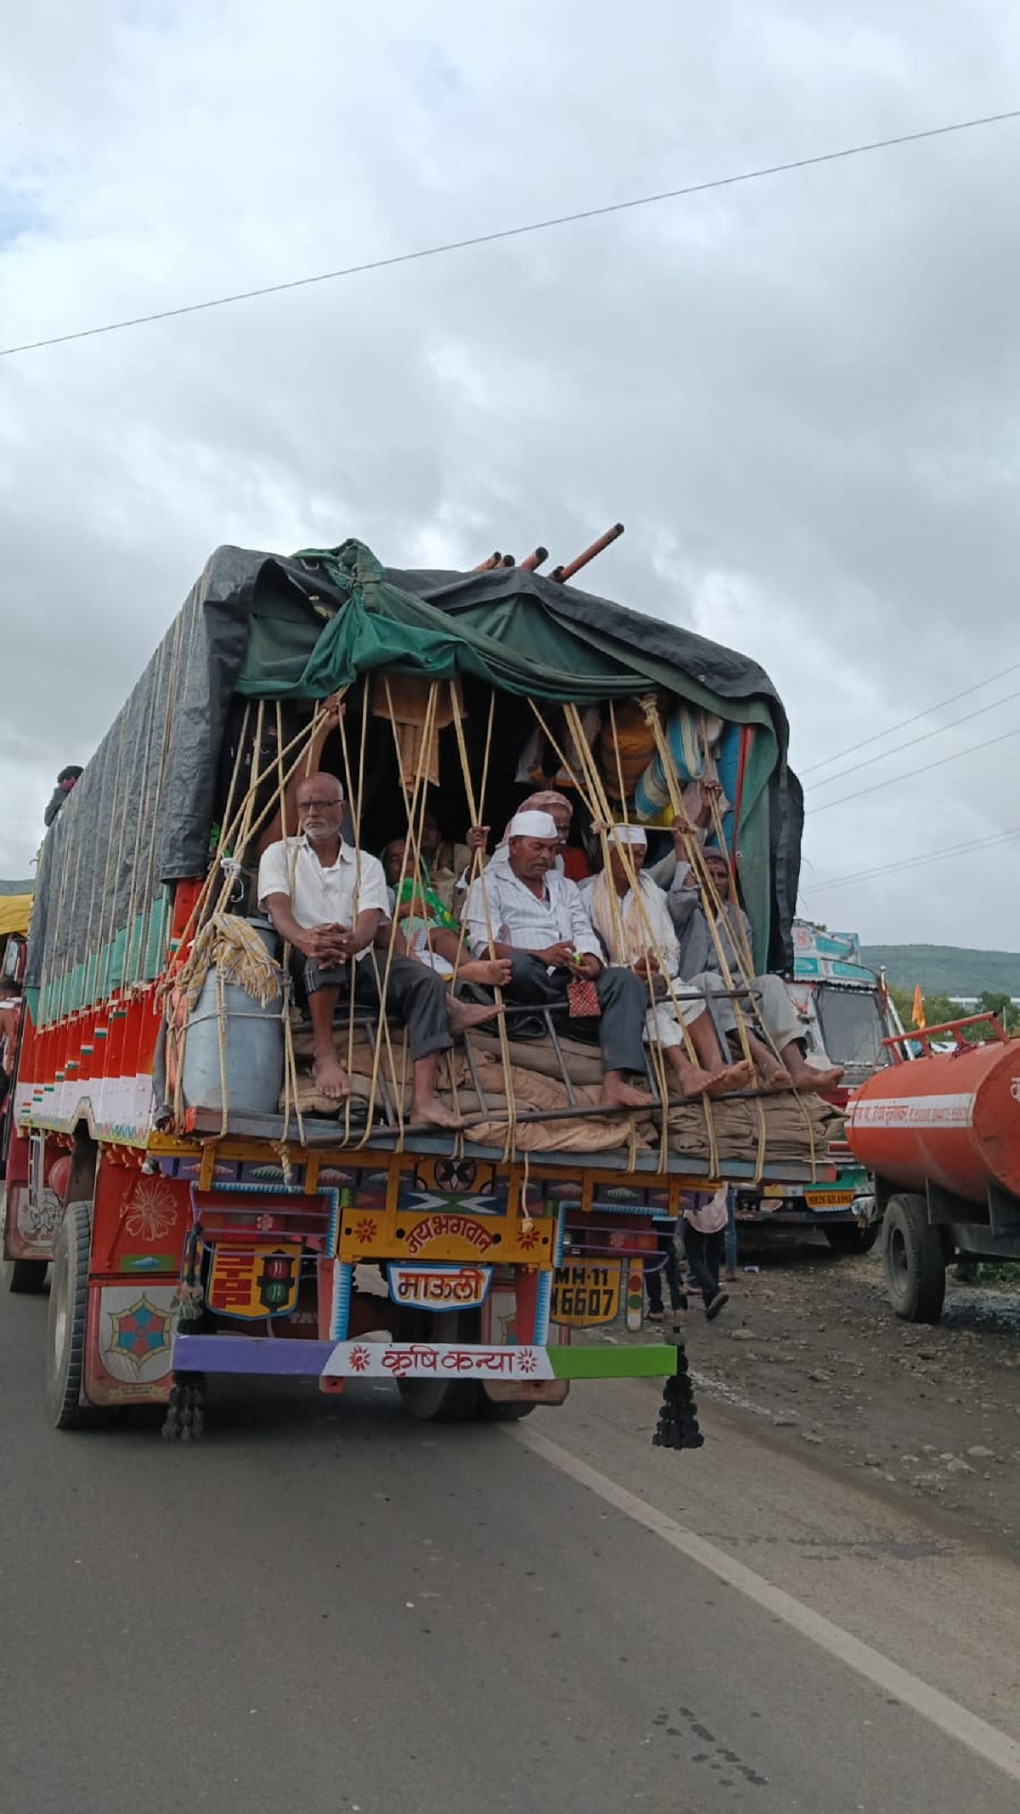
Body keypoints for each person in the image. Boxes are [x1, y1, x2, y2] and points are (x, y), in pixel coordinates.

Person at [258, 772, 493, 1128]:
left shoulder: (366, 862)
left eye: (321, 804)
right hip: (302, 954)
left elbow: (370, 922)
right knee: (322, 957)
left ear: (342, 808)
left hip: (357, 954)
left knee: (426, 979)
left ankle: (424, 1101)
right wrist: (307, 938)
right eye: (304, 805)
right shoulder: (280, 854)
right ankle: (325, 1054)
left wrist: (348, 942)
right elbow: (278, 910)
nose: (312, 813)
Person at [462, 809, 653, 1112]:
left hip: (569, 981)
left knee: (624, 981)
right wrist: (539, 955)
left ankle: (614, 1084)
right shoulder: (487, 885)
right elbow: (484, 947)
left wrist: (591, 960)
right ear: (514, 845)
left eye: (552, 849)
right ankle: (578, 1015)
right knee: (520, 968)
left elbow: (582, 930)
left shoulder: (563, 886)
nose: (546, 856)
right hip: (526, 982)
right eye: (537, 847)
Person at [585, 824, 752, 1098]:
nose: (633, 861)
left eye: (639, 855)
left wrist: (683, 845)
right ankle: (687, 1073)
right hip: (618, 983)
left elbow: (683, 898)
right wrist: (628, 970)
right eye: (625, 853)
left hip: (663, 978)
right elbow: (586, 947)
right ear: (608, 852)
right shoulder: (586, 895)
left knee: (691, 997)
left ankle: (716, 1067)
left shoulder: (655, 893)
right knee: (652, 1009)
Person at [670, 850, 844, 1095]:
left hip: (732, 987)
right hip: (693, 991)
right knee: (712, 981)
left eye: (721, 875)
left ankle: (797, 1065)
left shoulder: (737, 917)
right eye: (709, 874)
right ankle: (763, 1057)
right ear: (697, 877)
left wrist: (735, 984)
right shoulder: (685, 911)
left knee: (770, 982)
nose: (716, 880)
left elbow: (745, 967)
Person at [381, 838, 511, 989]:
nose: (403, 865)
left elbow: (448, 911)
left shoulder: (434, 890)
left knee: (448, 934)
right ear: (385, 869)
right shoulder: (386, 893)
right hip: (401, 941)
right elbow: (376, 925)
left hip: (426, 938)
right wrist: (400, 911)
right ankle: (472, 967)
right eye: (394, 860)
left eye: (409, 858)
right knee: (442, 934)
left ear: (420, 865)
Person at [681, 1187, 729, 1320]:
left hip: (697, 1209)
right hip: (718, 1211)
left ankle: (713, 1290)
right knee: (712, 1258)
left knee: (693, 1256)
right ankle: (710, 1302)